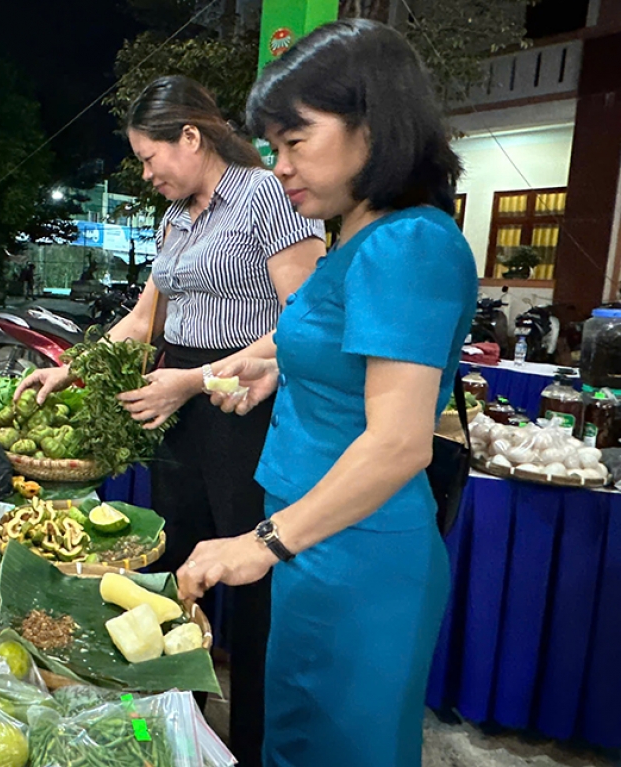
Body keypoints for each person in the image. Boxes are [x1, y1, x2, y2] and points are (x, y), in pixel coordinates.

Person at [178, 20, 478, 767]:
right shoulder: (355, 234)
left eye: (296, 140)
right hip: (315, 536)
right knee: (295, 741)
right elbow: (336, 344)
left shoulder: (410, 243)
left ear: (373, 124)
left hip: (358, 552)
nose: (280, 166)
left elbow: (399, 439)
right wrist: (272, 364)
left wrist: (261, 542)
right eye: (273, 148)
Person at [16, 75, 325, 766]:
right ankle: (181, 733)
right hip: (179, 410)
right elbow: (139, 320)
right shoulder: (179, 216)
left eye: (152, 157)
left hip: (246, 404)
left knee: (251, 583)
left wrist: (193, 381)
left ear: (191, 135)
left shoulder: (268, 195)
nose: (148, 174)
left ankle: (251, 742)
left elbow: (305, 320)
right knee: (177, 572)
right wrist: (76, 366)